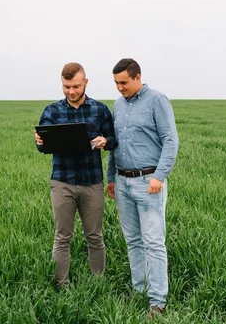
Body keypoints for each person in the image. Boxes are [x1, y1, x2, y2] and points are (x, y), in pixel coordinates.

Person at [106, 58, 179, 316]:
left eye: (124, 82)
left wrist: (160, 176)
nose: (119, 88)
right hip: (123, 181)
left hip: (149, 182)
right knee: (133, 240)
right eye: (116, 83)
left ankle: (157, 302)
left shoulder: (157, 100)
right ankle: (140, 290)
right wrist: (111, 178)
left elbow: (171, 140)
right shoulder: (117, 104)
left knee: (153, 242)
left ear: (137, 77)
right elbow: (114, 144)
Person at [34, 62, 117, 289]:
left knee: (95, 237)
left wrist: (105, 141)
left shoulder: (100, 110)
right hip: (62, 182)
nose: (71, 91)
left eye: (76, 86)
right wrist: (40, 141)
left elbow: (113, 140)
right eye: (66, 86)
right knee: (62, 237)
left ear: (86, 82)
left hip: (92, 183)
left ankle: (97, 283)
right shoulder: (51, 111)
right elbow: (42, 147)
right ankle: (62, 285)